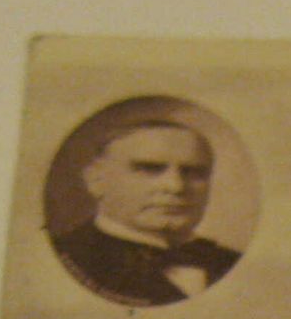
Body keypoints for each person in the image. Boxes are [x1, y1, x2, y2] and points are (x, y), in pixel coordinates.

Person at [52, 119, 240, 308]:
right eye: (149, 169)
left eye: (194, 173)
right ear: (96, 180)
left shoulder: (233, 263)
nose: (176, 187)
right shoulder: (59, 259)